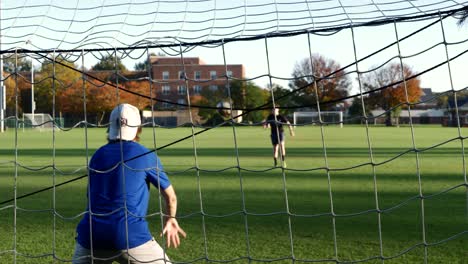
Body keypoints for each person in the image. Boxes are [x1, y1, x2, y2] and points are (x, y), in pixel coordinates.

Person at [73, 103, 186, 264]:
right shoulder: (146, 154)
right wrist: (170, 218)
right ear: (138, 128)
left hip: (91, 235)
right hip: (130, 235)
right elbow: (171, 197)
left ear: (110, 127)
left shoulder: (97, 155)